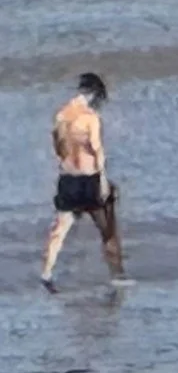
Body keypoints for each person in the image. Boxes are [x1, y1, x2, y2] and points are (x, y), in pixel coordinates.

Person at [41, 72, 127, 289]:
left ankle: (47, 272)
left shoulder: (61, 116)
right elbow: (98, 151)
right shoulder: (90, 118)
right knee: (107, 230)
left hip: (68, 178)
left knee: (59, 229)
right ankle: (117, 275)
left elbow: (58, 148)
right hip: (90, 179)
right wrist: (104, 181)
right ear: (95, 94)